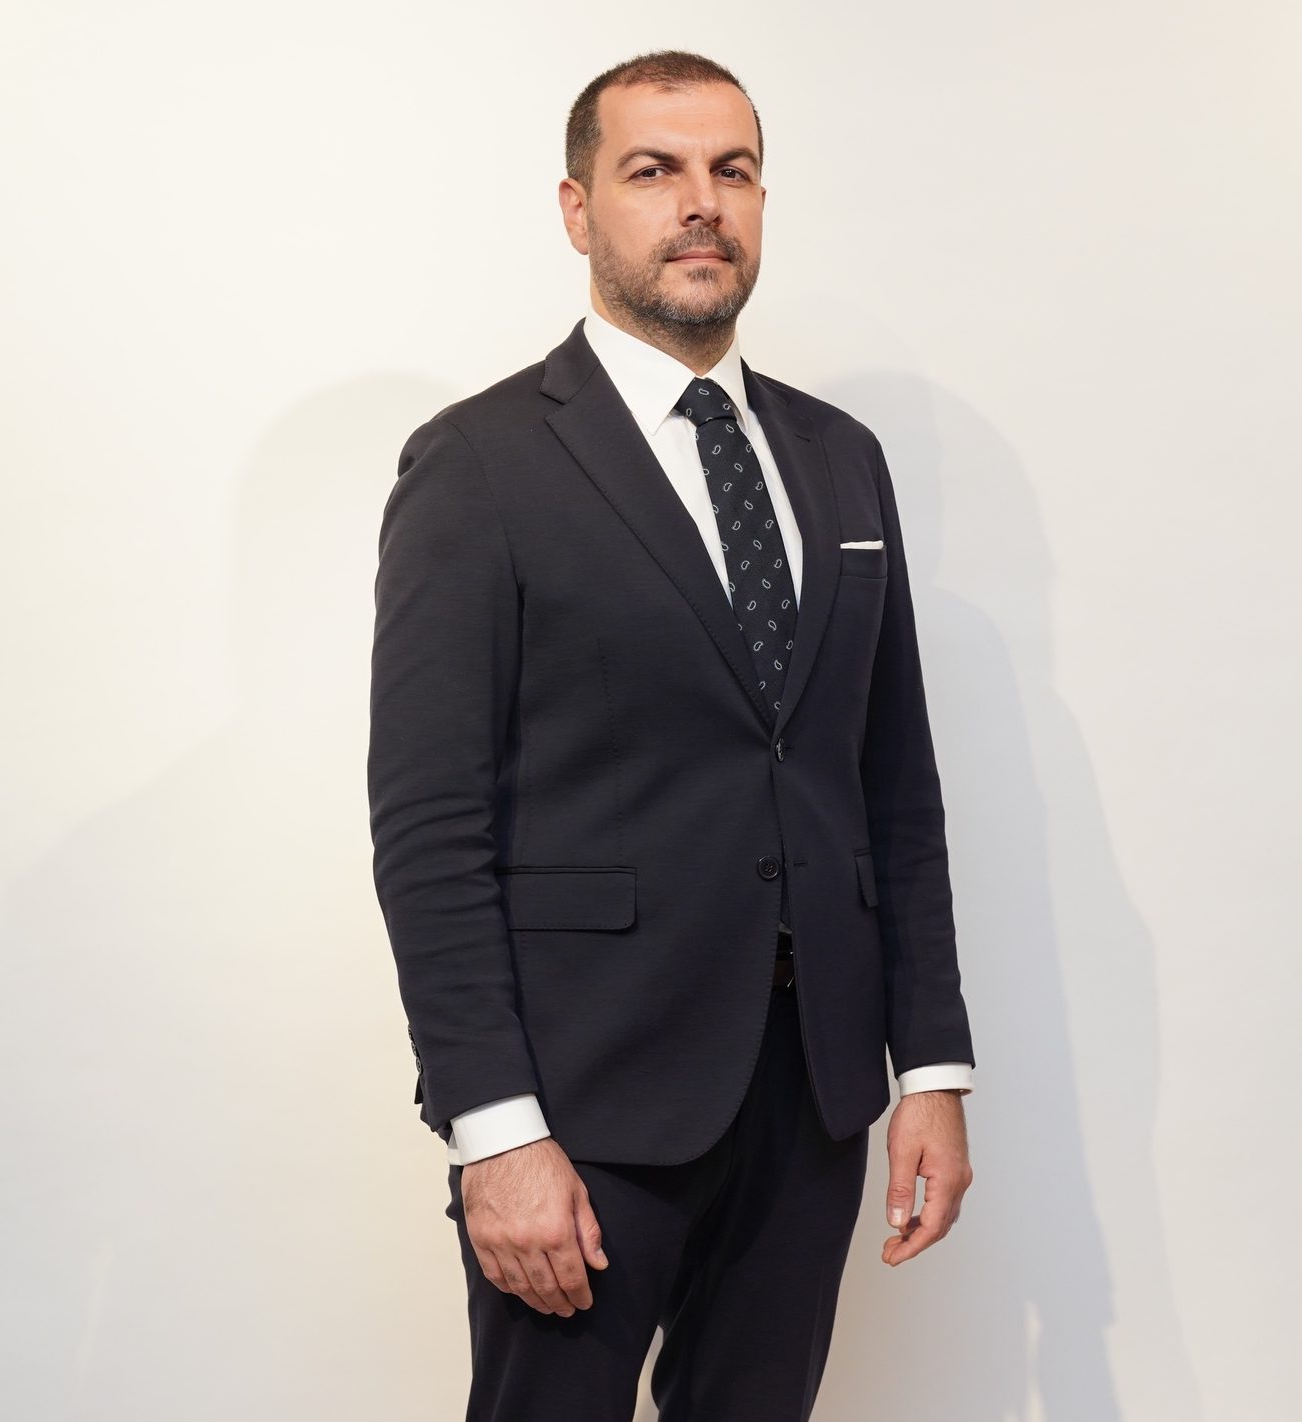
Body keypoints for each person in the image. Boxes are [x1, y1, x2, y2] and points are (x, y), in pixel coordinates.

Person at [367, 48, 976, 1421]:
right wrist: (496, 1130)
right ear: (580, 208)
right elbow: (428, 826)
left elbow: (894, 785)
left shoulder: (840, 458)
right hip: (586, 1103)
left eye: (732, 170)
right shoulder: (479, 465)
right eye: (655, 170)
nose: (701, 202)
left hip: (813, 1092)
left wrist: (928, 1066)